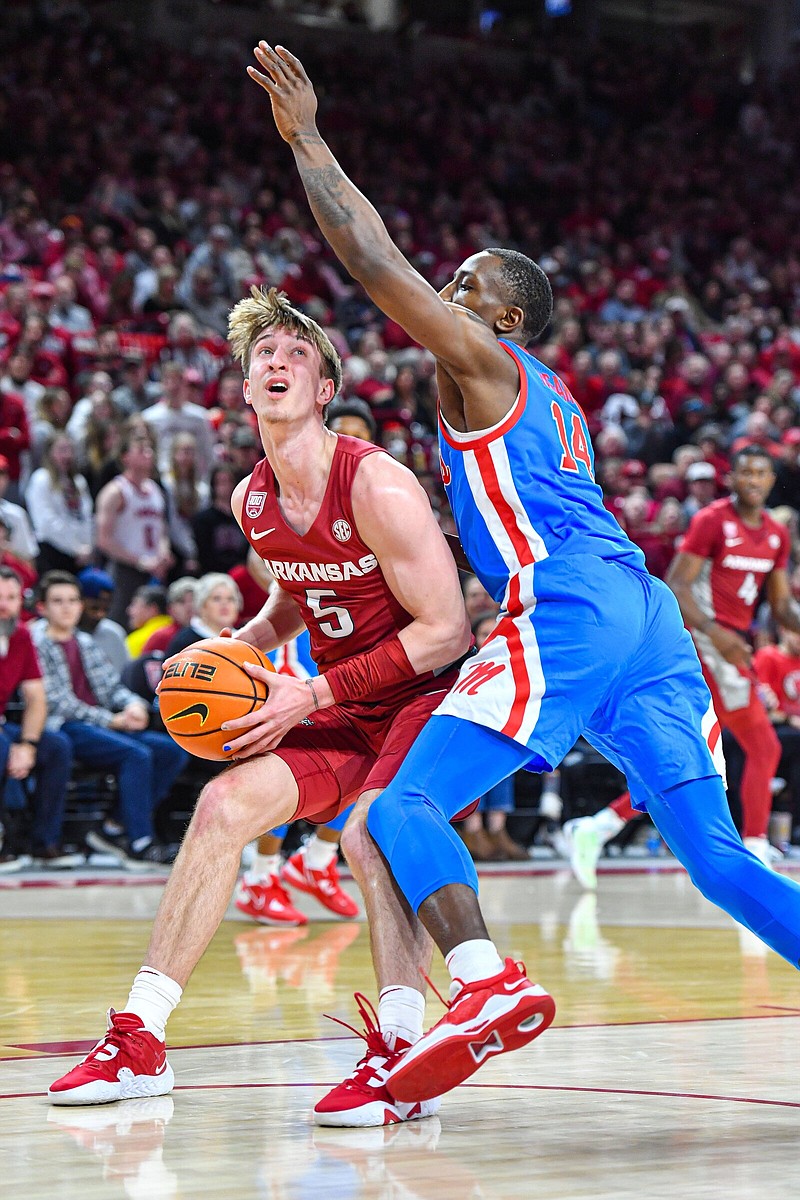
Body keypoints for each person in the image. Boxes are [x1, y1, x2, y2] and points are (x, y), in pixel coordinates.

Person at [245, 44, 800, 1105]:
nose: (444, 291)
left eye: (466, 287)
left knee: (397, 809)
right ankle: (431, 1021)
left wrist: (308, 140)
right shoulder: (550, 397)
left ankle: (486, 983)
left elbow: (375, 268)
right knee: (722, 865)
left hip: (575, 609)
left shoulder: (482, 365)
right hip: (644, 624)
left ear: (500, 320)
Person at [48, 285, 471, 1121]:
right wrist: (228, 650)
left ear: (325, 390)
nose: (276, 363)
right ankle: (139, 1038)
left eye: (296, 355)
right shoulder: (252, 501)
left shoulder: (377, 484)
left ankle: (398, 1048)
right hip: (347, 702)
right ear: (244, 388)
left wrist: (308, 688)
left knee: (370, 831)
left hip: (422, 698)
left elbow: (448, 630)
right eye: (262, 356)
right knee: (221, 804)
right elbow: (291, 604)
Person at [565, 446, 800, 886]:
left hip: (731, 651)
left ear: (771, 481)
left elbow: (783, 605)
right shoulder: (713, 520)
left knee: (696, 754)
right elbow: (677, 585)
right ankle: (753, 850)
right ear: (732, 479)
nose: (752, 480)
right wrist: (718, 635)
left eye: (761, 473)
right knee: (756, 748)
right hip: (700, 643)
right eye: (744, 471)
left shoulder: (776, 535)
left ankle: (600, 826)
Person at [31, 572, 187, 870]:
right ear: (43, 607)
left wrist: (134, 706)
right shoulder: (37, 642)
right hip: (61, 726)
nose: (67, 608)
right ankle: (140, 843)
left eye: (73, 601)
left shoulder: (84, 642)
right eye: (58, 601)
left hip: (100, 724)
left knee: (170, 750)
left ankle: (113, 828)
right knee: (136, 754)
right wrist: (112, 720)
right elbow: (58, 702)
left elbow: (112, 687)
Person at [0, 565, 77, 871]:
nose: (3, 605)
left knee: (56, 746)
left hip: (4, 726)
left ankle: (44, 843)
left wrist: (28, 745)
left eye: (11, 598)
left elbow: (36, 698)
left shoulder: (20, 636)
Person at [95, 430, 173, 627]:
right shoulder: (116, 491)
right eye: (140, 449)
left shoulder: (156, 489)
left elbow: (161, 529)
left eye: (149, 449)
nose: (147, 453)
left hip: (154, 570)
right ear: (125, 457)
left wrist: (163, 552)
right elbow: (103, 540)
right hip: (125, 571)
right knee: (122, 624)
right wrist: (139, 561)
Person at [25, 433, 94, 576]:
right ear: (50, 453)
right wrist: (75, 548)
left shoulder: (78, 481)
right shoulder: (41, 479)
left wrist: (87, 547)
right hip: (51, 552)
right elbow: (46, 522)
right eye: (62, 450)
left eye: (70, 450)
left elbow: (86, 517)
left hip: (79, 556)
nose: (67, 455)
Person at [76, 567, 129, 675]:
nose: (100, 615)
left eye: (106, 609)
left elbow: (124, 678)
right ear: (79, 601)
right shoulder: (60, 633)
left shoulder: (113, 633)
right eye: (94, 608)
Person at [125, 584, 171, 658]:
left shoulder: (137, 640)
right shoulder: (178, 629)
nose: (129, 611)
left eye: (135, 605)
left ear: (152, 609)